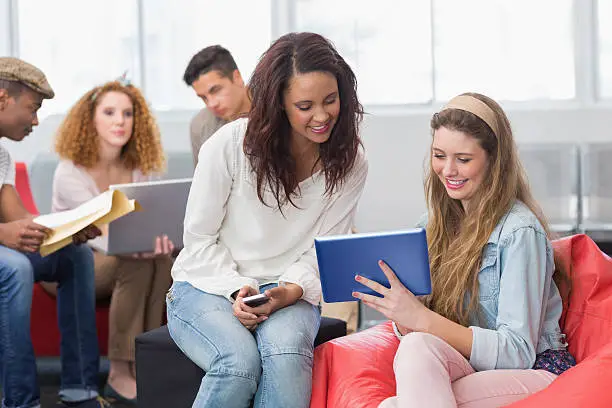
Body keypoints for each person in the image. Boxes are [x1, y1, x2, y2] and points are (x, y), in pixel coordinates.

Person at [167, 32, 368, 407]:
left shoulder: (350, 162)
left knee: (287, 355)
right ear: (278, 105)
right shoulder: (228, 146)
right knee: (238, 362)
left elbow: (323, 251)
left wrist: (288, 291)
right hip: (208, 284)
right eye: (305, 105)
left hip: (289, 290)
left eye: (330, 100)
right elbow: (199, 241)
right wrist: (237, 288)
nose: (322, 116)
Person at [353, 92, 575, 408]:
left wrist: (422, 318)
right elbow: (422, 335)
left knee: (395, 403)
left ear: (494, 161)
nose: (448, 170)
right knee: (415, 350)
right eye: (439, 155)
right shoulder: (429, 225)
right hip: (470, 366)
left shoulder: (519, 233)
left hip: (535, 369)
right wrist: (405, 314)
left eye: (464, 159)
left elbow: (517, 352)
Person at [46, 78, 174, 405]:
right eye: (110, 112)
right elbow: (100, 234)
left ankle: (142, 364)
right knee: (134, 259)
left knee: (160, 259)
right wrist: (137, 242)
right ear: (91, 120)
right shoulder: (70, 171)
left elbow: (145, 222)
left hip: (122, 256)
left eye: (128, 114)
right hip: (73, 262)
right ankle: (118, 371)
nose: (120, 121)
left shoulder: (139, 168)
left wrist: (160, 240)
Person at [0, 57, 112, 408]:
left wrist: (67, 231)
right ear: (3, 98)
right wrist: (3, 234)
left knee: (74, 256)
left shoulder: (0, 156)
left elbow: (21, 221)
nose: (36, 120)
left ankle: (81, 391)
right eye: (32, 109)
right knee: (14, 269)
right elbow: (8, 231)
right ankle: (20, 401)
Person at [183, 45, 251, 165]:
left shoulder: (275, 109)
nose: (211, 104)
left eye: (216, 90)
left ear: (237, 77)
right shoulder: (200, 126)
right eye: (203, 97)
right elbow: (203, 182)